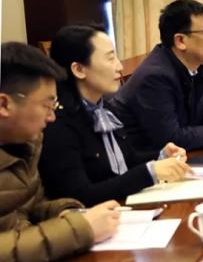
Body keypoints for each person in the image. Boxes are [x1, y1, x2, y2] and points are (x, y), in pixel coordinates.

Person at [0, 42, 120, 262]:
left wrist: (67, 212)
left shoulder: (26, 143)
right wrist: (79, 229)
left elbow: (31, 206)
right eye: (47, 105)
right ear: (4, 104)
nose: (52, 117)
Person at [40, 25, 192, 206]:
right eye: (110, 58)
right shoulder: (58, 122)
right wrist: (150, 172)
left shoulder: (105, 108)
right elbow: (79, 196)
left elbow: (126, 161)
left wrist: (161, 156)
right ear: (79, 69)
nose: (119, 66)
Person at [112, 0, 203, 152]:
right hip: (148, 162)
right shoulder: (155, 77)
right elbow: (171, 139)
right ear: (180, 41)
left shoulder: (199, 67)